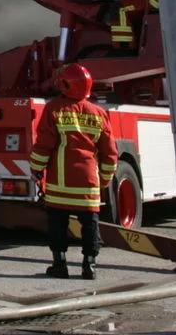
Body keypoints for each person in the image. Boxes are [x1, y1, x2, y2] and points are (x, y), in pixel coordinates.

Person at [29, 63, 118, 280]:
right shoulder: (99, 113)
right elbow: (109, 153)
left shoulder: (55, 109)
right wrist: (104, 180)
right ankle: (90, 267)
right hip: (88, 183)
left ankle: (60, 265)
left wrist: (36, 169)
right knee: (90, 226)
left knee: (57, 225)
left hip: (60, 181)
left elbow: (44, 145)